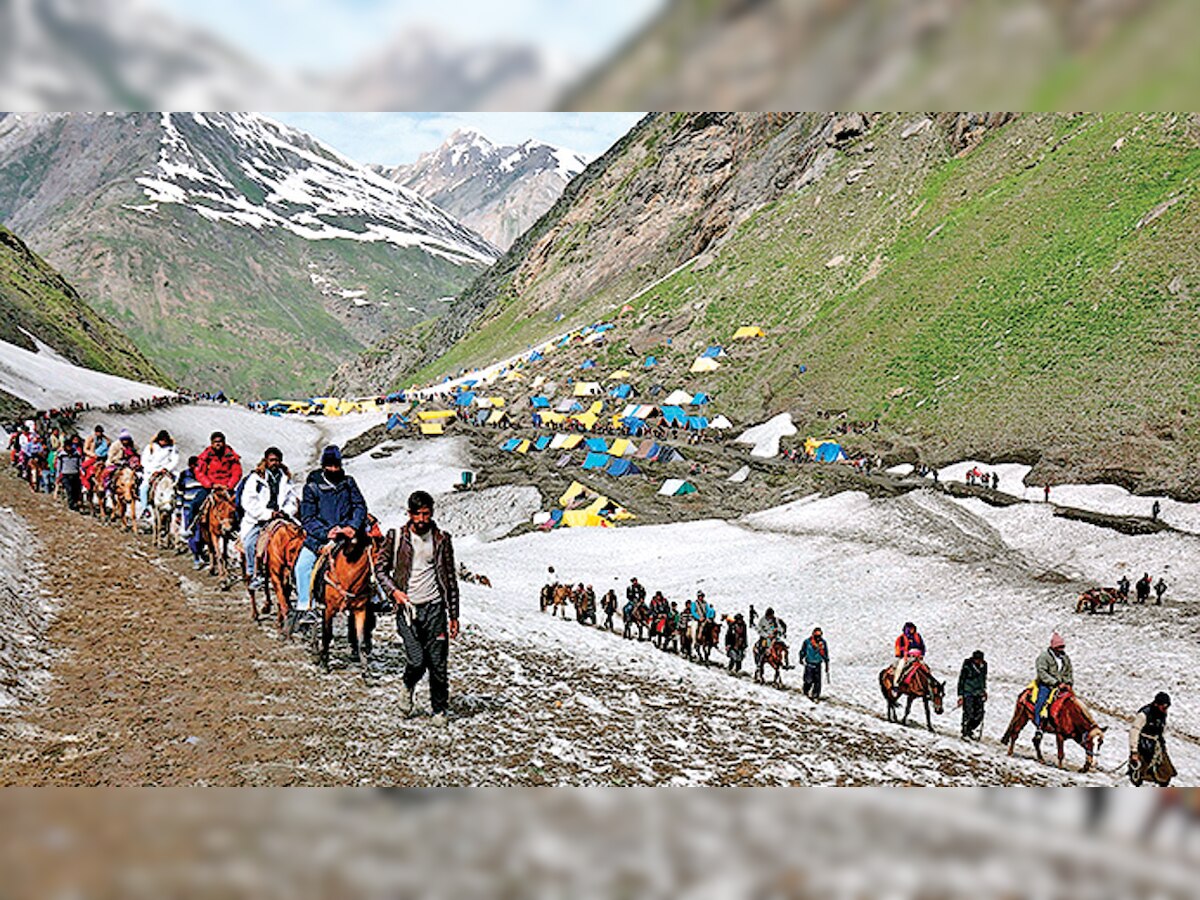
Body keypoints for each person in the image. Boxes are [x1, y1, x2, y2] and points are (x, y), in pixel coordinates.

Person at [378, 490, 460, 725]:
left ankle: (439, 709)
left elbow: (450, 579)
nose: (423, 519)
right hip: (407, 609)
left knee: (437, 662)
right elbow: (380, 569)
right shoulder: (396, 538)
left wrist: (454, 615)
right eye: (418, 514)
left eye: (427, 514)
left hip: (435, 608)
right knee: (417, 660)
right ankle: (408, 685)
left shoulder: (442, 539)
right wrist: (394, 592)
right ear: (410, 513)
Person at [294, 445, 367, 630]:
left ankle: (377, 596)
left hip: (348, 536)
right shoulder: (312, 487)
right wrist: (326, 532)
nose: (334, 469)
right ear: (324, 466)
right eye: (330, 466)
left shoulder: (348, 483)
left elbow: (359, 506)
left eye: (337, 466)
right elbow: (308, 517)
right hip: (321, 538)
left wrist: (352, 526)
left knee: (371, 560)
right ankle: (305, 607)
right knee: (302, 566)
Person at [239, 447, 297, 592]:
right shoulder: (256, 478)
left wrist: (286, 511)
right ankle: (254, 574)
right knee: (250, 543)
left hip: (282, 517)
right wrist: (267, 514)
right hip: (261, 519)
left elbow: (292, 500)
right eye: (272, 460)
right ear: (266, 460)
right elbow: (248, 502)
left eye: (277, 460)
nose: (274, 463)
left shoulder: (286, 478)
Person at [183, 432, 242, 537]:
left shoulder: (231, 456)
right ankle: (190, 527)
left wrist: (229, 485)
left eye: (220, 442)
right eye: (215, 442)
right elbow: (199, 471)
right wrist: (210, 484)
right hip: (211, 487)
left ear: (224, 442)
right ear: (211, 443)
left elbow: (237, 472)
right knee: (196, 503)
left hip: (226, 487)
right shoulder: (206, 456)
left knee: (238, 505)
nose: (218, 444)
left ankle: (238, 529)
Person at [1033, 632, 1073, 735]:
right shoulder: (1044, 657)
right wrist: (1055, 683)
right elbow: (1042, 672)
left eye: (1062, 646)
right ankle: (1039, 725)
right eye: (1059, 647)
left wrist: (1068, 683)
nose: (1061, 649)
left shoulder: (1065, 658)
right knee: (1041, 702)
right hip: (1047, 685)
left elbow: (1069, 671)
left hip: (1063, 685)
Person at [1129, 692, 1173, 785]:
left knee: (1166, 772)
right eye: (1164, 707)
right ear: (1156, 704)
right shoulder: (1144, 714)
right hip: (1143, 746)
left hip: (1156, 746)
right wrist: (1134, 752)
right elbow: (1134, 731)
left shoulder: (1162, 713)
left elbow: (1160, 730)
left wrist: (1162, 746)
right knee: (1140, 775)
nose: (1165, 710)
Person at [175, 456, 207, 568]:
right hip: (188, 509)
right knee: (192, 534)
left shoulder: (204, 476)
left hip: (202, 509)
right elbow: (179, 493)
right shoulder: (184, 475)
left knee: (202, 534)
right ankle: (196, 557)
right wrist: (178, 511)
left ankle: (201, 552)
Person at [139, 429, 180, 514]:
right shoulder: (150, 447)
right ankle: (145, 508)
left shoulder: (172, 448)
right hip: (152, 470)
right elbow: (144, 461)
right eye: (162, 440)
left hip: (167, 470)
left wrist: (166, 468)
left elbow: (175, 460)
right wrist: (154, 470)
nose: (163, 442)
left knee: (177, 484)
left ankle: (178, 505)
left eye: (165, 440)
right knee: (144, 487)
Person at [956, 650, 988, 740]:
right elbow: (961, 679)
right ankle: (965, 731)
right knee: (968, 712)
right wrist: (960, 695)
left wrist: (984, 690)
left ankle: (971, 729)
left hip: (979, 692)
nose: (979, 662)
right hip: (968, 691)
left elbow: (983, 678)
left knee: (979, 714)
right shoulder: (967, 666)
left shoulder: (984, 665)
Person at [891, 622, 925, 696]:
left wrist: (922, 654)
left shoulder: (918, 636)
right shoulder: (902, 638)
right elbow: (900, 648)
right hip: (907, 657)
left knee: (926, 669)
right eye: (911, 629)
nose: (912, 630)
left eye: (913, 628)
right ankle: (895, 684)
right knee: (900, 668)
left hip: (917, 657)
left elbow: (922, 646)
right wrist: (906, 654)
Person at [800, 627, 829, 701]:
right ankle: (806, 691)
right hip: (809, 664)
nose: (818, 638)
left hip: (818, 664)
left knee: (817, 682)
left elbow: (825, 654)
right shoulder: (807, 642)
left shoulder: (823, 643)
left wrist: (826, 663)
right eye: (816, 636)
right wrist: (801, 657)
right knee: (808, 680)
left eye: (819, 636)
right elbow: (803, 651)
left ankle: (815, 695)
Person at [56, 435, 83, 510]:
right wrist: (58, 476)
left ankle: (76, 502)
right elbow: (59, 466)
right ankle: (71, 504)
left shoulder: (76, 454)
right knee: (69, 490)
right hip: (65, 474)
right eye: (67, 446)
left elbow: (80, 464)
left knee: (76, 490)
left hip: (75, 474)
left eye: (70, 446)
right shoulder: (61, 455)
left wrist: (81, 472)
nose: (69, 448)